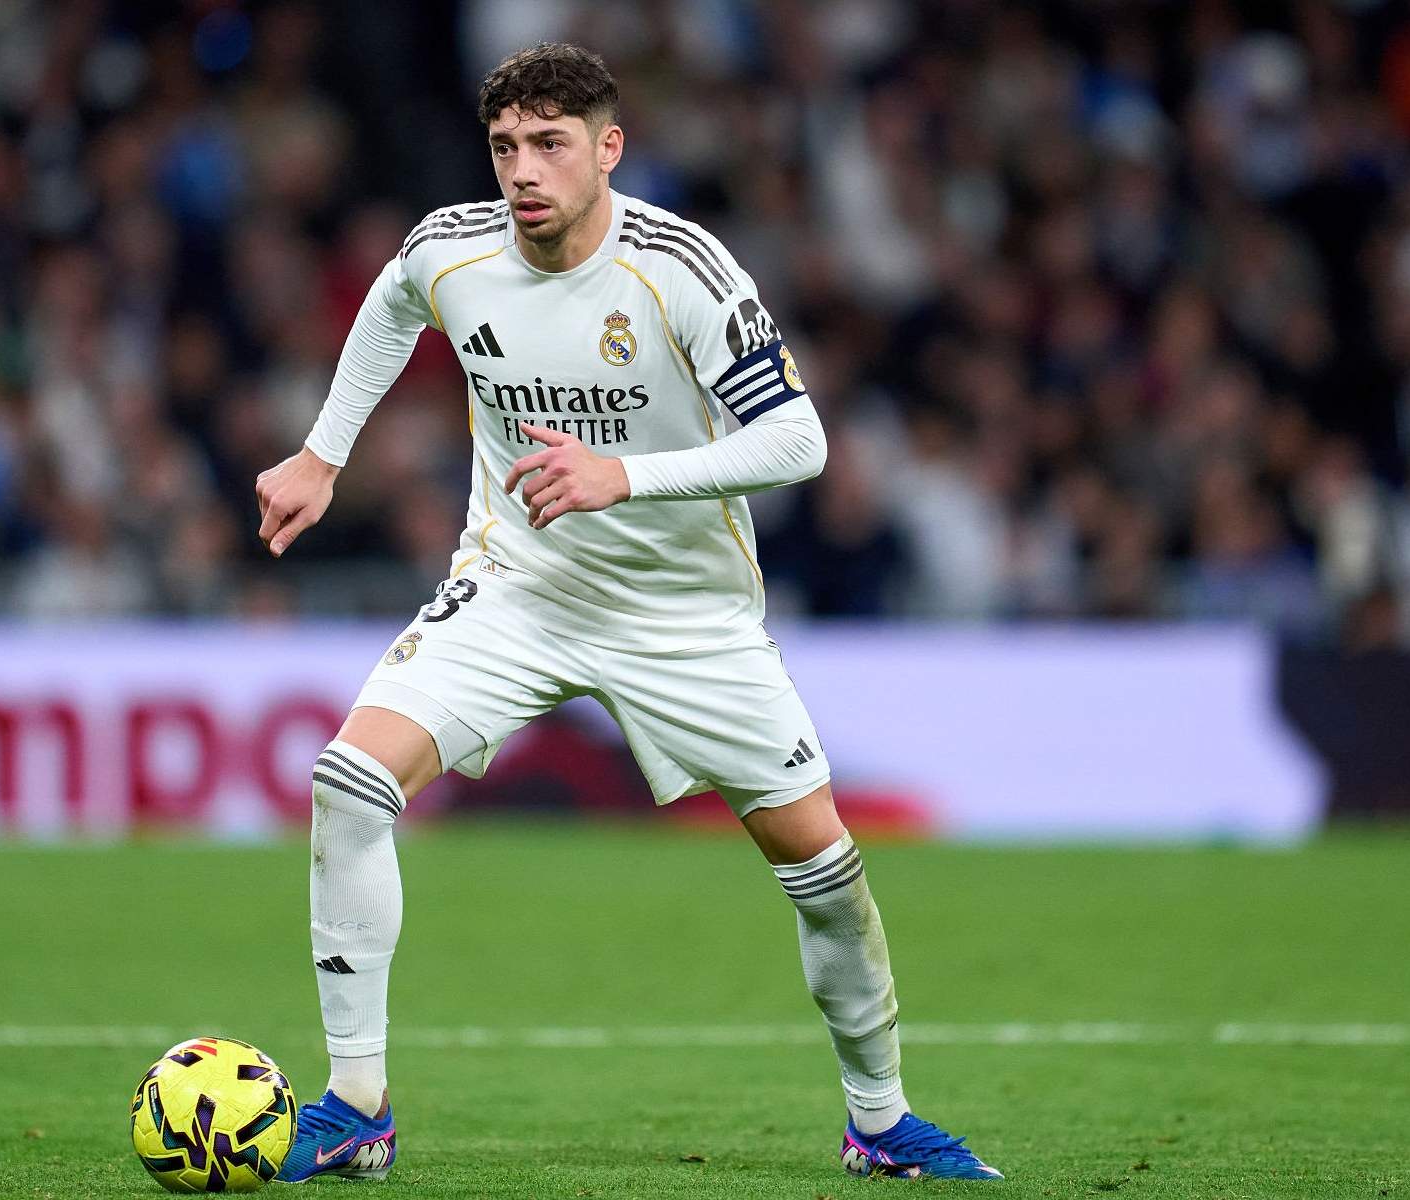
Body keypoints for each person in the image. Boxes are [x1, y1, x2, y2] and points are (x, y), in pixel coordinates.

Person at [253, 42, 1000, 1183]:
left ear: (608, 149)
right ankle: (357, 1105)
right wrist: (322, 453)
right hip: (519, 589)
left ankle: (881, 1120)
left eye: (550, 144)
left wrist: (624, 476)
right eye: (505, 146)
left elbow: (798, 441)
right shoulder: (452, 249)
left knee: (824, 872)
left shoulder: (679, 269)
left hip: (683, 618)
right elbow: (393, 303)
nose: (522, 170)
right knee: (348, 782)